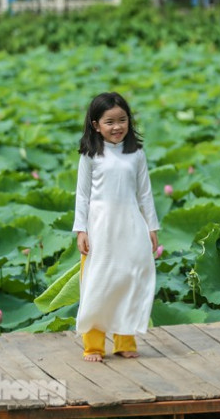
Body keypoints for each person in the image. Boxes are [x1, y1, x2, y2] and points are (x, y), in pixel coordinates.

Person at [72, 92, 160, 362]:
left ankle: (124, 341)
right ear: (95, 125)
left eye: (122, 120)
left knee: (129, 280)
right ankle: (94, 345)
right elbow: (82, 195)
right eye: (109, 121)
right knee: (97, 283)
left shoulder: (136, 153)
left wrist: (152, 227)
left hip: (131, 225)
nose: (117, 126)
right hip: (100, 227)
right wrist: (81, 230)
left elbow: (145, 193)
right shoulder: (90, 155)